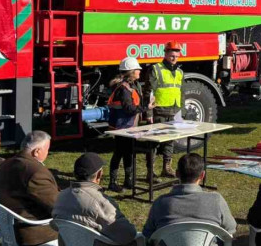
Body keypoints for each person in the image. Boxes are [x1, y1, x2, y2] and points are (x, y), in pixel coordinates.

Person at [143, 153, 236, 238]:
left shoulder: (160, 203)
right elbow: (231, 228)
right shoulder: (216, 200)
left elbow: (148, 233)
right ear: (202, 175)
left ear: (177, 173)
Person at [53, 153, 138, 245]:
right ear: (99, 175)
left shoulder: (61, 196)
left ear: (75, 174)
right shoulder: (100, 202)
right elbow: (129, 233)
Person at [0, 131, 59, 246]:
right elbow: (57, 206)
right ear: (37, 151)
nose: (47, 153)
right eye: (47, 149)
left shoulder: (5, 164)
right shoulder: (35, 173)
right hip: (32, 232)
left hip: (8, 227)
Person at [107, 57, 153, 192]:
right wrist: (146, 108)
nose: (140, 70)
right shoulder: (124, 89)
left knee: (128, 153)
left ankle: (128, 180)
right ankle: (112, 182)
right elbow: (129, 109)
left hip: (127, 126)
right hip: (122, 128)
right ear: (131, 72)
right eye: (137, 69)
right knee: (119, 153)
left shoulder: (129, 86)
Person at [146, 41, 184, 179]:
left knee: (170, 141)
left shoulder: (179, 72)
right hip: (158, 111)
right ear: (166, 54)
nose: (174, 58)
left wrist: (181, 112)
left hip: (173, 112)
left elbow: (181, 92)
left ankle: (166, 168)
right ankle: (150, 172)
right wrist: (149, 113)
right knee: (154, 143)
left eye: (177, 55)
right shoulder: (156, 69)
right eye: (172, 55)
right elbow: (149, 92)